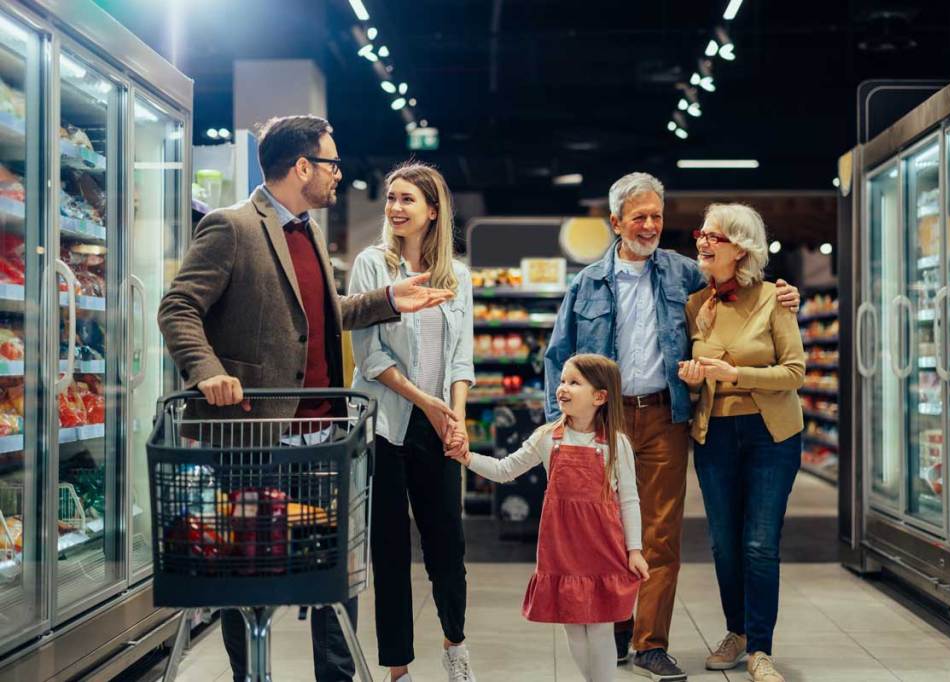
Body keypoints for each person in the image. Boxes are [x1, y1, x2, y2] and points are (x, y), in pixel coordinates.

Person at [158, 115, 454, 682]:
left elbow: (324, 317)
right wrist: (208, 372)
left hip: (321, 434)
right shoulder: (232, 227)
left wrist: (390, 298)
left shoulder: (308, 230)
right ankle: (253, 676)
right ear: (302, 167)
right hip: (252, 432)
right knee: (248, 571)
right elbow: (177, 308)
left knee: (333, 573)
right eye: (331, 163)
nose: (337, 175)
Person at [543, 172, 800, 681]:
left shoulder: (685, 274)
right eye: (639, 216)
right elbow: (557, 355)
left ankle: (650, 643)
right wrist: (560, 424)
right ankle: (618, 626)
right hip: (606, 420)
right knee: (607, 528)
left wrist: (785, 293)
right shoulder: (587, 283)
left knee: (661, 534)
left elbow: (742, 287)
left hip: (666, 416)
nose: (650, 225)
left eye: (657, 216)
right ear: (615, 222)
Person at [347, 162, 476, 682]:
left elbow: (461, 357)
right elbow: (370, 357)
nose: (395, 208)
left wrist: (457, 420)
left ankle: (455, 647)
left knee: (448, 544)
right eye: (391, 198)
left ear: (433, 210)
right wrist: (426, 400)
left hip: (437, 421)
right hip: (384, 423)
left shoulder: (458, 276)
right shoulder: (371, 267)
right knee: (391, 550)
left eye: (407, 200)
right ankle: (397, 668)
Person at [446, 354, 648, 682]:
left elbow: (629, 499)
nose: (562, 388)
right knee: (574, 631)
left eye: (574, 382)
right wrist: (467, 458)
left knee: (599, 628)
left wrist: (635, 549)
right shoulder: (547, 438)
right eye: (562, 381)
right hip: (562, 548)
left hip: (604, 547)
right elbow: (504, 469)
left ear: (600, 397)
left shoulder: (616, 444)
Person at [678, 204, 805, 682]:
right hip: (715, 435)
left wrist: (737, 373)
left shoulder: (777, 299)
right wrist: (693, 380)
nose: (703, 243)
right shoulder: (697, 306)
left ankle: (761, 649)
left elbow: (795, 372)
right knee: (724, 544)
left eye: (715, 237)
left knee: (758, 544)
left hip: (771, 434)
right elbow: (698, 379)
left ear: (741, 248)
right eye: (702, 234)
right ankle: (736, 632)